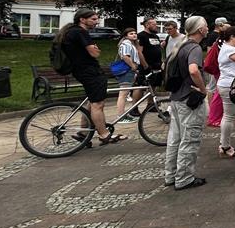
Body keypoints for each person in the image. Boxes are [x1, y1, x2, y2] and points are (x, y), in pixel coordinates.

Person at [59, 8, 125, 144]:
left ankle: (84, 133)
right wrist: (94, 49)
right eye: (93, 19)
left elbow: (92, 51)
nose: (97, 22)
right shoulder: (80, 32)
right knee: (98, 104)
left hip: (81, 70)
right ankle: (104, 135)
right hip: (90, 72)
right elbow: (95, 53)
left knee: (92, 101)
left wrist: (93, 49)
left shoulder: (71, 32)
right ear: (82, 19)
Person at [165, 15, 210, 190]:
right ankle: (184, 178)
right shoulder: (194, 48)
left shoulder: (180, 45)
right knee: (190, 139)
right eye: (206, 26)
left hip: (177, 97)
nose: (208, 28)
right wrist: (203, 89)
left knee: (175, 139)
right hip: (189, 99)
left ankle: (171, 174)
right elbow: (193, 70)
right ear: (200, 30)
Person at [217, 26, 235, 158]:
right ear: (232, 37)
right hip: (230, 85)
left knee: (228, 115)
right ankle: (225, 146)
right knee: (229, 116)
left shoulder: (225, 47)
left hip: (225, 84)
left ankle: (223, 143)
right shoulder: (231, 50)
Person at [114, 28, 140, 123]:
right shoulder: (126, 44)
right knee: (123, 94)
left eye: (135, 33)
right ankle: (120, 116)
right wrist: (133, 66)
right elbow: (125, 56)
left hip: (129, 70)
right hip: (127, 71)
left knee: (125, 93)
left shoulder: (130, 44)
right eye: (131, 33)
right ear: (126, 35)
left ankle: (122, 114)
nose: (134, 35)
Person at [136, 17, 162, 84]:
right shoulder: (141, 36)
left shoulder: (156, 36)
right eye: (154, 24)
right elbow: (139, 52)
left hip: (157, 66)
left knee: (155, 85)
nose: (156, 26)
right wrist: (145, 66)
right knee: (142, 86)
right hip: (147, 66)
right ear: (147, 25)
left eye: (156, 24)